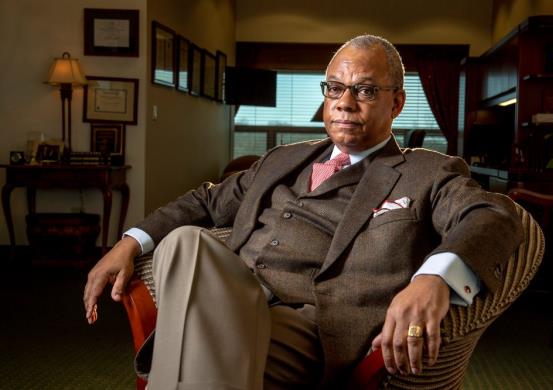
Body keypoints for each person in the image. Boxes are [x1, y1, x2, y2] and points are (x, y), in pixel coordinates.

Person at [83, 35, 522, 389]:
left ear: (397, 103)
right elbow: (203, 201)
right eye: (335, 87)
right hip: (231, 304)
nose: (345, 102)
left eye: (366, 90)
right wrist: (129, 241)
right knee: (184, 242)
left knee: (184, 362)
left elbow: (494, 215)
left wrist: (434, 278)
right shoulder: (281, 159)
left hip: (307, 328)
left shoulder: (426, 171)